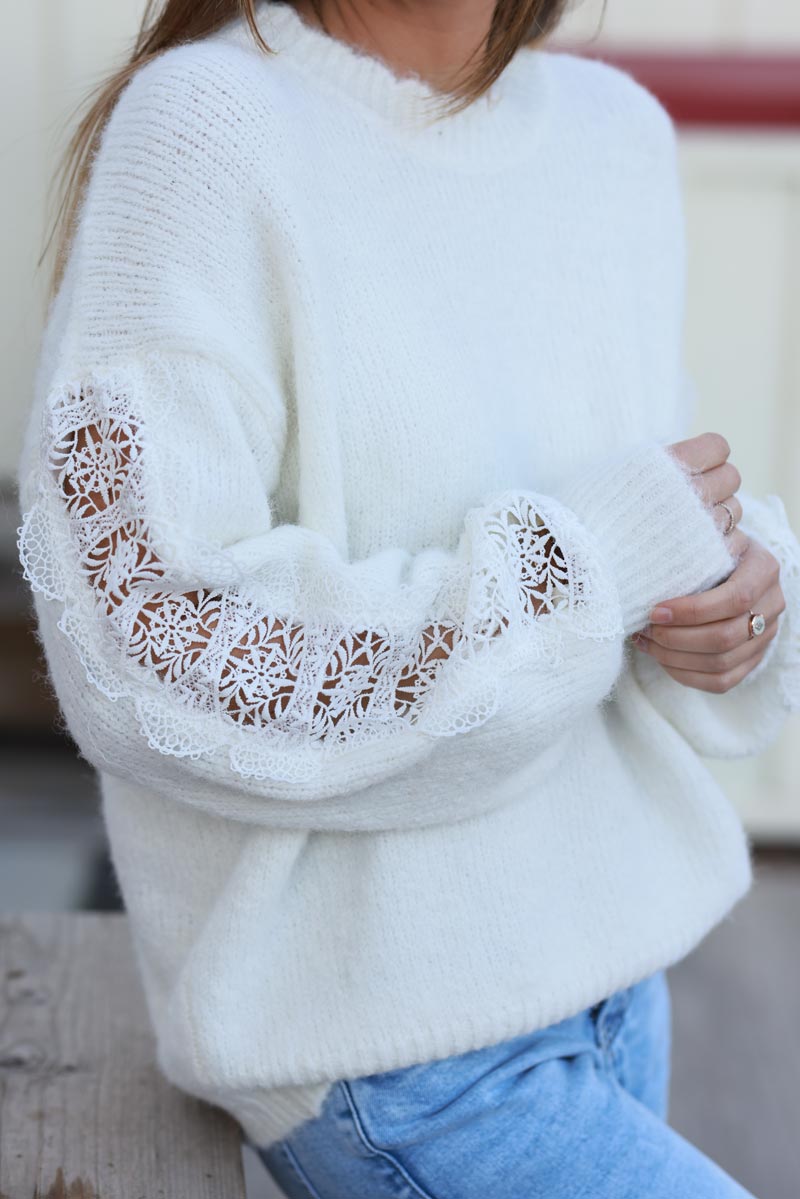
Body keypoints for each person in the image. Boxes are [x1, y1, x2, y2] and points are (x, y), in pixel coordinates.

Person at [16, 1, 800, 1195]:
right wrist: (582, 567)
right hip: (385, 1046)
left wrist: (733, 597)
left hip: (615, 972)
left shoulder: (613, 135)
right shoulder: (206, 129)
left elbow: (645, 504)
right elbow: (144, 641)